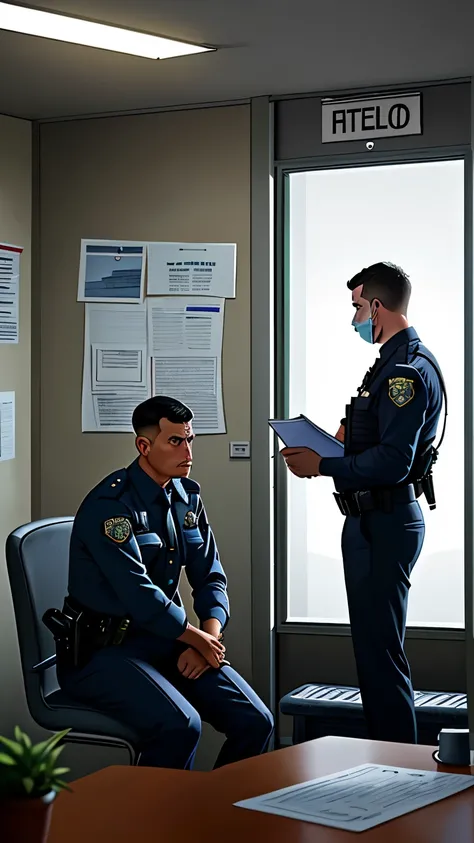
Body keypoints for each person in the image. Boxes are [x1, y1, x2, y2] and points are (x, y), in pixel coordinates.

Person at [50, 395, 274, 769]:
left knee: (255, 721)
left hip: (170, 642)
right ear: (144, 445)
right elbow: (139, 593)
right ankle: (156, 823)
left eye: (190, 440)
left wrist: (208, 638)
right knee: (179, 725)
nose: (187, 451)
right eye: (175, 441)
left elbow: (211, 576)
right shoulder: (111, 506)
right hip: (104, 655)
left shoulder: (187, 498)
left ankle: (214, 818)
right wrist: (194, 638)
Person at [281, 262, 445, 744]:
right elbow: (379, 443)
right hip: (373, 519)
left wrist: (322, 465)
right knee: (373, 654)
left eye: (356, 306)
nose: (353, 317)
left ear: (377, 305)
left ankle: (398, 770)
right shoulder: (390, 365)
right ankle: (388, 764)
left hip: (385, 519)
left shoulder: (405, 372)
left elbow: (394, 462)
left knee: (381, 655)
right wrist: (339, 445)